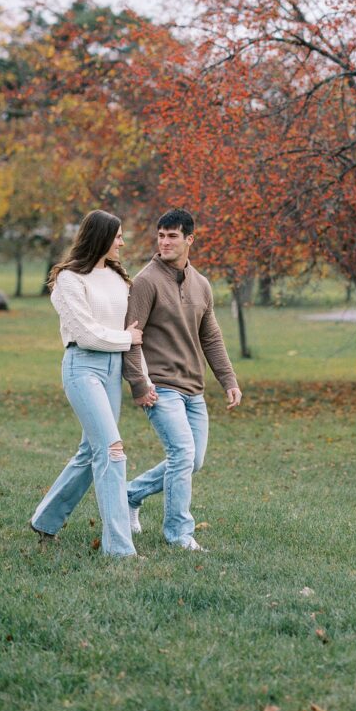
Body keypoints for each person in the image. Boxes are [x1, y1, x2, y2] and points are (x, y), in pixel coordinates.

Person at [30, 209, 155, 557]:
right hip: (82, 369)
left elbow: (135, 334)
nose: (122, 242)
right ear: (100, 236)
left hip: (113, 370)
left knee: (91, 451)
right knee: (112, 451)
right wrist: (127, 339)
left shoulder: (119, 278)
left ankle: (45, 520)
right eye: (117, 235)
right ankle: (119, 549)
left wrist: (141, 378)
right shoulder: (69, 279)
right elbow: (86, 334)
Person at [122, 208, 242, 551]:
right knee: (182, 453)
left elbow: (212, 338)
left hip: (194, 388)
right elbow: (131, 335)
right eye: (160, 235)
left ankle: (130, 494)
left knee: (194, 461)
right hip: (160, 386)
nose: (165, 242)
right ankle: (178, 534)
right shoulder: (145, 281)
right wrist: (139, 384)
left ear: (190, 239)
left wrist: (228, 380)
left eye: (172, 235)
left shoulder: (201, 284)